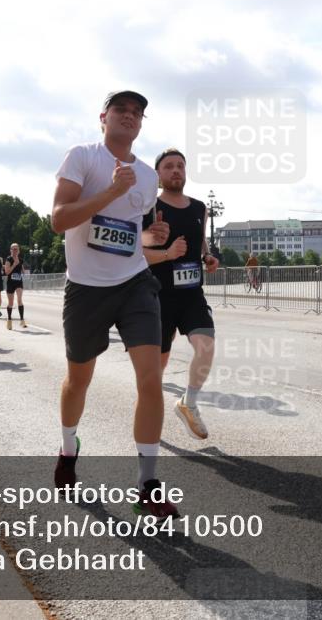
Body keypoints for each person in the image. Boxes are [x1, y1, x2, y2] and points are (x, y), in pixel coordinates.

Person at [50, 90, 178, 518]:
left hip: (134, 284)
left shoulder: (147, 175)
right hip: (86, 288)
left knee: (150, 379)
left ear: (141, 123)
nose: (129, 116)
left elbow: (128, 235)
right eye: (121, 110)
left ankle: (147, 484)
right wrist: (109, 191)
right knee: (78, 381)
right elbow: (59, 220)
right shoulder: (83, 157)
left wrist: (151, 238)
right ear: (103, 117)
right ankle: (68, 447)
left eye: (137, 112)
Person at [143, 148, 218, 440]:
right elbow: (136, 252)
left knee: (206, 346)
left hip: (191, 295)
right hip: (158, 295)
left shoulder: (199, 207)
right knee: (156, 370)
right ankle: (148, 420)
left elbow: (201, 243)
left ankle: (189, 403)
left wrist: (208, 257)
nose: (176, 170)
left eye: (180, 166)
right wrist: (167, 254)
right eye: (169, 166)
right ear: (158, 175)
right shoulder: (149, 207)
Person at [3, 243, 27, 330]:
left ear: (19, 251)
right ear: (10, 250)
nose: (15, 251)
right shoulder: (8, 259)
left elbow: (23, 270)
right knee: (11, 303)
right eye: (13, 249)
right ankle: (9, 320)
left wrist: (23, 271)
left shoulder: (20, 260)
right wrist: (14, 265)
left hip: (19, 282)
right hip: (10, 283)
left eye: (16, 249)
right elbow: (7, 272)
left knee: (20, 300)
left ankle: (22, 320)